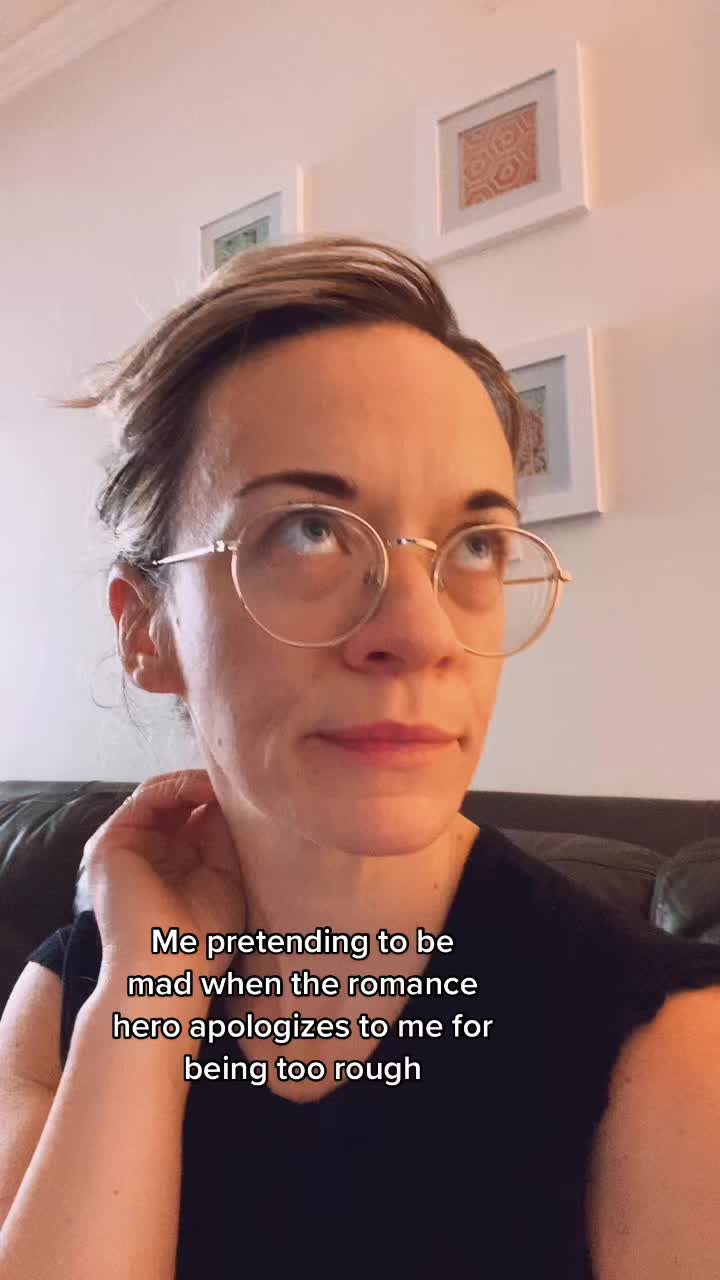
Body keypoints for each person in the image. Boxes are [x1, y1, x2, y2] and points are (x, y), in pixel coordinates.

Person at [0, 234, 719, 1279]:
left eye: (476, 544)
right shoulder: (65, 1002)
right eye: (309, 530)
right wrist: (146, 1004)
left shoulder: (670, 1050)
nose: (422, 633)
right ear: (146, 628)